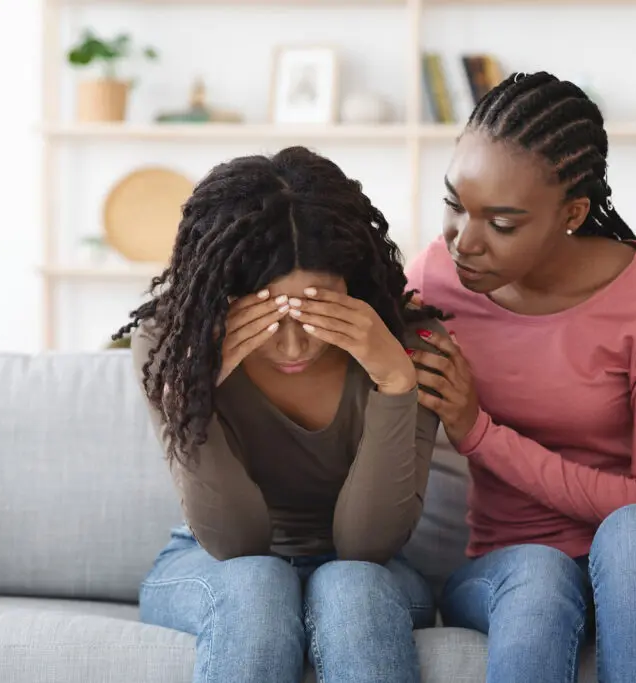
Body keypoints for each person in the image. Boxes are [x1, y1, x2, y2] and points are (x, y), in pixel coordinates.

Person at [405, 72, 636, 683]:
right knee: (539, 579)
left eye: (503, 223)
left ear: (573, 213)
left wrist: (480, 435)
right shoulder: (433, 280)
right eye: (455, 205)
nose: (464, 243)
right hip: (509, 566)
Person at [115, 147, 447, 683]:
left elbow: (366, 546)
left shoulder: (408, 344)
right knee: (257, 583)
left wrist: (395, 381)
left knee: (351, 586)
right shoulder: (172, 342)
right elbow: (235, 545)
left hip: (369, 571)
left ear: (353, 286)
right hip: (212, 563)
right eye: (266, 317)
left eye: (318, 312)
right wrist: (197, 392)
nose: (294, 348)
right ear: (223, 298)